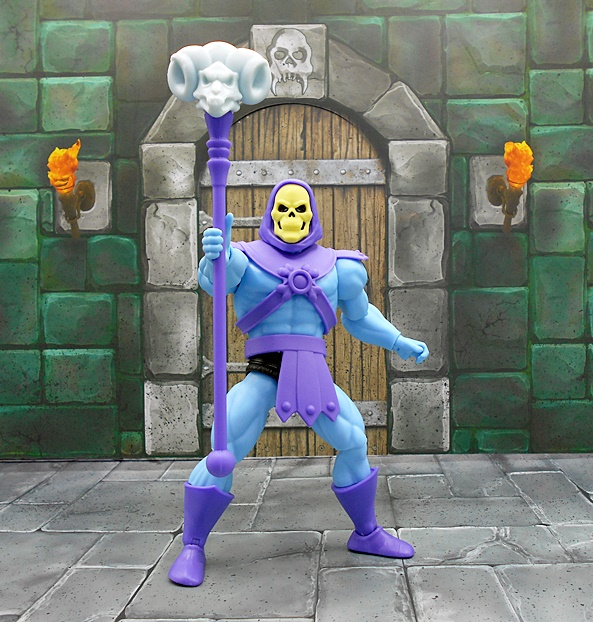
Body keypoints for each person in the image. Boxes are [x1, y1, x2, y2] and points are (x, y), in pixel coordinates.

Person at [168, 179, 429, 586]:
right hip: (264, 370)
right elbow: (215, 282)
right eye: (284, 209)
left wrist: (398, 341)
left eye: (299, 209)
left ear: (312, 215)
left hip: (311, 373)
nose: (291, 217)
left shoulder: (340, 267)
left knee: (353, 439)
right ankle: (192, 546)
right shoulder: (246, 258)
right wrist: (216, 255)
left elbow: (360, 317)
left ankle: (366, 533)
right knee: (224, 446)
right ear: (272, 214)